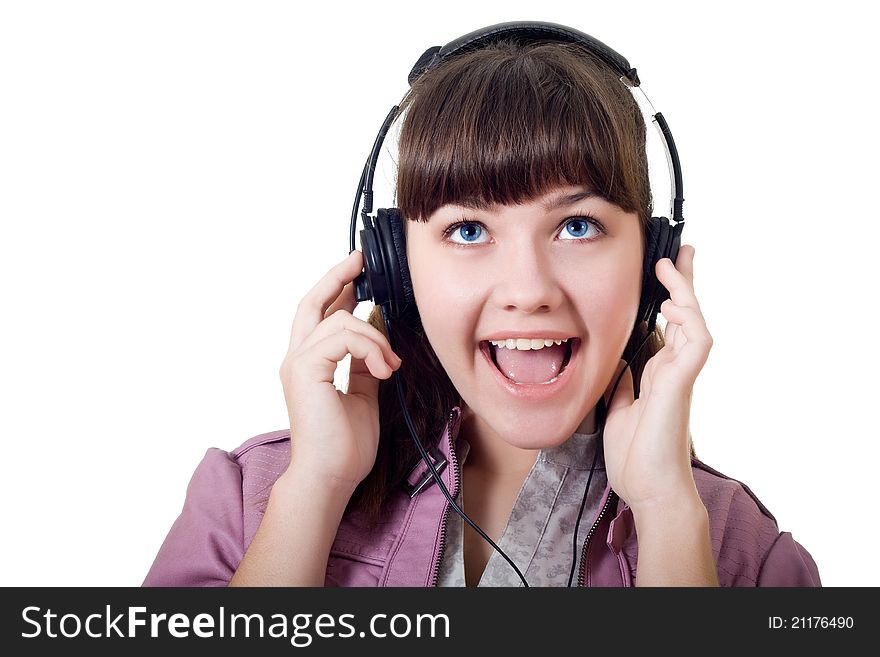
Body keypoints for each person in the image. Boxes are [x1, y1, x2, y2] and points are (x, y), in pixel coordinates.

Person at [142, 23, 821, 587]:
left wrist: (669, 512)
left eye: (576, 225)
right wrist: (313, 489)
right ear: (393, 266)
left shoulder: (748, 560)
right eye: (468, 230)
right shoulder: (245, 503)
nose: (528, 289)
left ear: (654, 262)